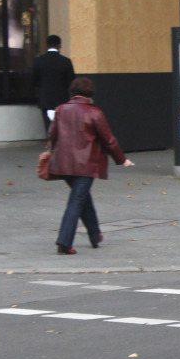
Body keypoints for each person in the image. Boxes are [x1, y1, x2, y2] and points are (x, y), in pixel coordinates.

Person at [48, 77, 133, 255]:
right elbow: (108, 140)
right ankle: (64, 241)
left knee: (82, 198)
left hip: (63, 164)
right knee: (77, 200)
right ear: (91, 93)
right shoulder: (95, 113)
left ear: (72, 92)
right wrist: (122, 159)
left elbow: (52, 135)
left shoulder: (61, 110)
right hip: (87, 164)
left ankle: (95, 235)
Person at [32, 35, 76, 131]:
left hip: (45, 99)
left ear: (47, 45)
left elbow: (34, 81)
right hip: (62, 100)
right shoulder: (66, 61)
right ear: (59, 45)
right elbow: (71, 82)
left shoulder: (39, 61)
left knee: (49, 127)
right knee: (62, 128)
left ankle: (50, 143)